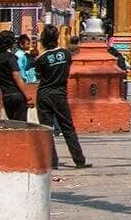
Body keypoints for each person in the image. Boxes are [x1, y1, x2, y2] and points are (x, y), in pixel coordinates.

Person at [34, 24, 90, 169]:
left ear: (43, 40)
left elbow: (39, 76)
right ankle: (79, 160)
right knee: (68, 128)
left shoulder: (40, 59)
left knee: (47, 129)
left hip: (44, 94)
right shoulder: (66, 55)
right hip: (59, 94)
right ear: (58, 37)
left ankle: (52, 162)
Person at [0, 30, 32, 121]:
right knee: (21, 126)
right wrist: (27, 96)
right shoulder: (10, 57)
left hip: (6, 96)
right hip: (17, 95)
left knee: (13, 124)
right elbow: (16, 77)